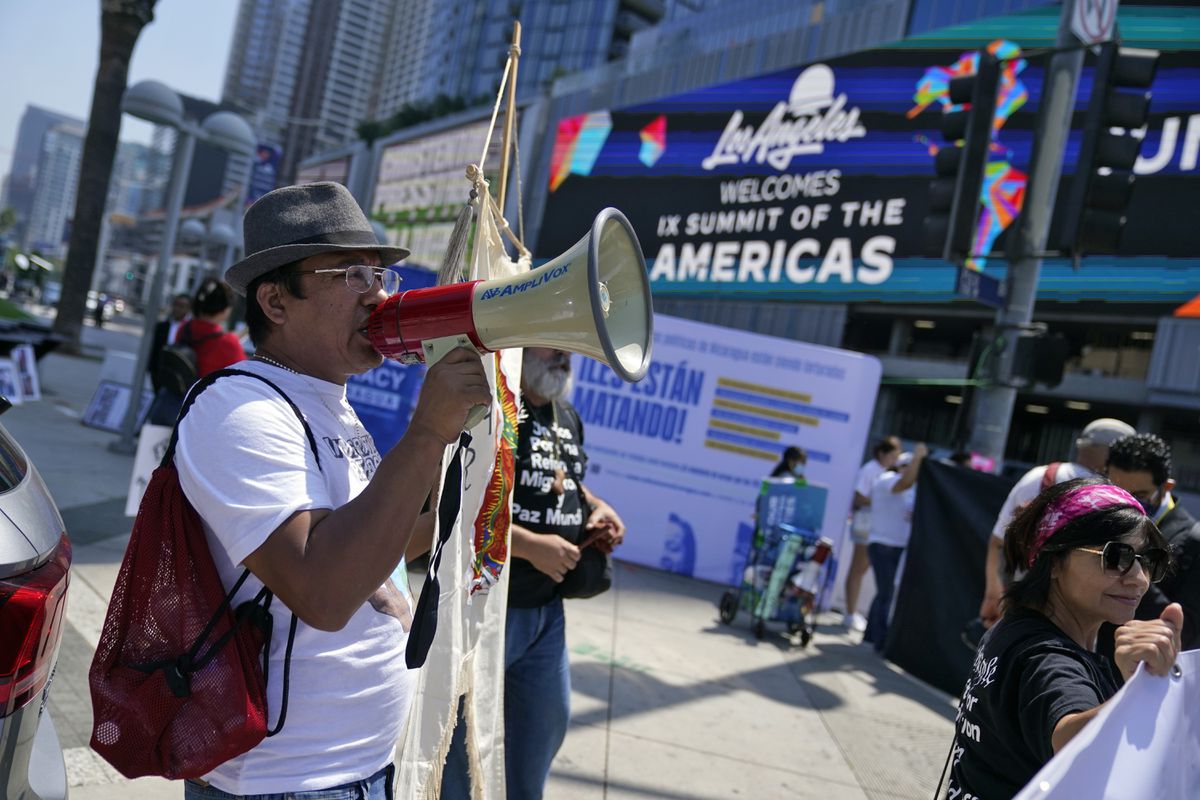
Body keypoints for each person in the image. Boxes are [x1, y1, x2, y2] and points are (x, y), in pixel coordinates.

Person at [173, 181, 492, 798]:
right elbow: (322, 591)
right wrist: (426, 431)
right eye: (351, 273)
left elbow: (377, 552)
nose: (377, 294)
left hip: (357, 769)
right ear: (275, 301)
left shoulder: (329, 406)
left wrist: (473, 498)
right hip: (283, 782)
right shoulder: (241, 410)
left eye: (380, 275)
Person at [441, 347, 627, 800]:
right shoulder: (493, 407)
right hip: (491, 609)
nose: (564, 352)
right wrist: (529, 547)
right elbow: (456, 501)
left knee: (544, 728)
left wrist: (597, 508)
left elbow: (568, 478)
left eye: (569, 344)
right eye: (551, 341)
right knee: (464, 749)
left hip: (548, 615)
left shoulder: (567, 415)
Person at [948, 477, 1181, 799]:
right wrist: (1138, 689)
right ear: (1054, 561)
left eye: (1148, 560)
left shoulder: (1014, 626)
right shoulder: (1045, 655)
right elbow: (1071, 739)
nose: (1139, 579)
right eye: (1116, 557)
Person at [980, 418, 1135, 628]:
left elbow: (999, 542)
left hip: (1023, 606)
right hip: (1081, 619)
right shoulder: (1116, 495)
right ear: (1113, 454)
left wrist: (993, 595)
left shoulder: (1040, 476)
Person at [1104, 433, 1200, 651]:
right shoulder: (1096, 524)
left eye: (1140, 495)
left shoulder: (1194, 543)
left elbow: (1187, 635)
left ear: (1166, 487)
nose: (1126, 503)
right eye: (1117, 492)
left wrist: (1134, 565)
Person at [147, 279, 248, 426]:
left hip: (169, 404)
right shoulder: (228, 343)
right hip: (198, 415)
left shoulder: (185, 328)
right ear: (225, 309)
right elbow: (244, 379)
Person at [863, 444, 927, 652]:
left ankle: (871, 635)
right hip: (881, 545)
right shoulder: (886, 480)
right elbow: (905, 482)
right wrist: (918, 456)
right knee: (886, 593)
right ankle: (881, 641)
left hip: (898, 547)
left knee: (885, 591)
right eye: (909, 465)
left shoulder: (912, 491)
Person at [844, 436, 900, 630]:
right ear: (881, 453)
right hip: (864, 525)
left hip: (874, 527)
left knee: (862, 569)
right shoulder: (870, 470)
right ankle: (850, 613)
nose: (894, 460)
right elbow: (859, 498)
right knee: (857, 568)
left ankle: (852, 612)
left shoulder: (886, 472)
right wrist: (881, 501)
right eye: (892, 456)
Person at [148, 293, 192, 393]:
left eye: (182, 306)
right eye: (176, 304)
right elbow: (154, 350)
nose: (177, 309)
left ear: (188, 309)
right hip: (160, 372)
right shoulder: (162, 326)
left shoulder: (190, 329)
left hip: (180, 376)